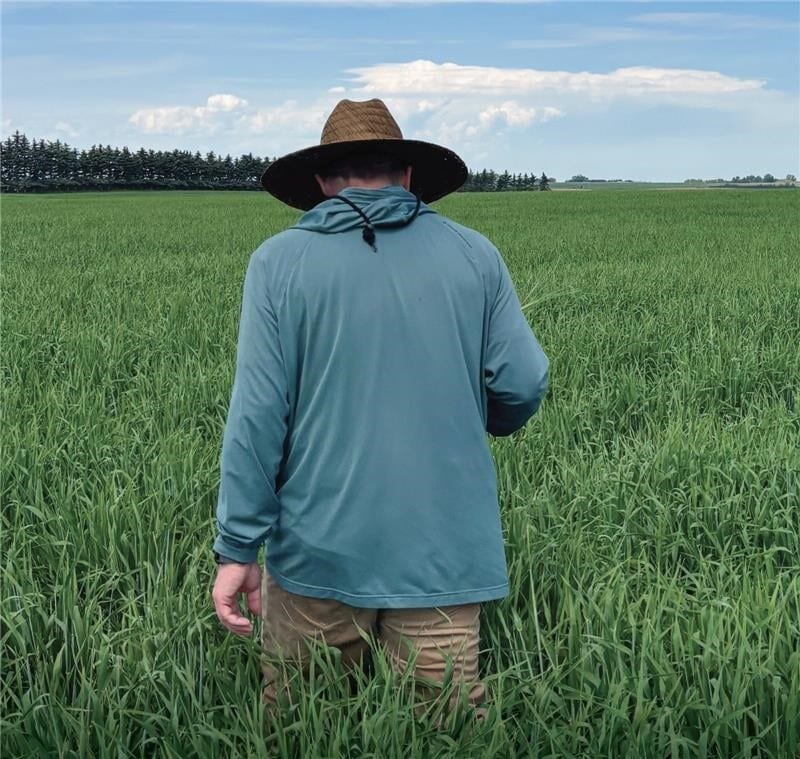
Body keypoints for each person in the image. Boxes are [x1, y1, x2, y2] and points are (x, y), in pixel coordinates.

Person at [211, 99, 549, 717]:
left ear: (320, 182)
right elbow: (524, 382)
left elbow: (258, 417)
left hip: (318, 546)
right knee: (444, 725)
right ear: (409, 175)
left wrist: (237, 549)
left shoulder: (278, 263)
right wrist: (483, 422)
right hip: (443, 547)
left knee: (302, 723)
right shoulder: (475, 255)